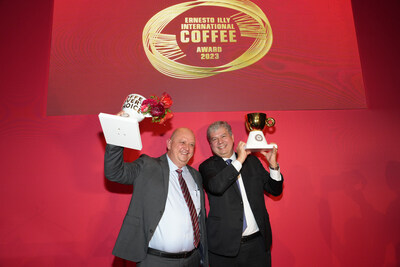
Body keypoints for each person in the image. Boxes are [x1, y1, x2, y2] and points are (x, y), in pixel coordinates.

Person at [104, 127, 209, 267]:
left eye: (191, 144)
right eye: (182, 142)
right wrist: (118, 132)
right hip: (156, 261)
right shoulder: (148, 166)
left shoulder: (195, 176)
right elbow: (115, 172)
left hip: (192, 260)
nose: (187, 148)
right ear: (169, 143)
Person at [199, 121, 283, 267]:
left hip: (257, 245)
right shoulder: (207, 167)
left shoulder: (252, 162)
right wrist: (239, 160)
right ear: (210, 144)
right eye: (214, 139)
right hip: (224, 249)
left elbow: (275, 190)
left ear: (232, 137)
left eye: (223, 136)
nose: (220, 142)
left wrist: (273, 165)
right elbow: (217, 186)